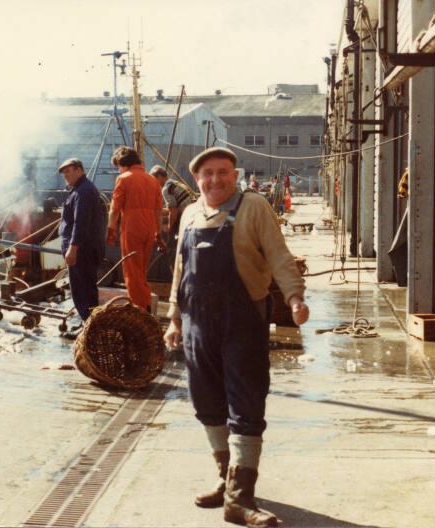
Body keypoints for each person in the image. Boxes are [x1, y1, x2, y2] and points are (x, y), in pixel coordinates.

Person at [163, 147, 309, 527]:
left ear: (235, 174)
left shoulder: (254, 206)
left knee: (246, 403)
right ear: (197, 180)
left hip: (242, 321)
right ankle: (225, 481)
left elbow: (279, 255)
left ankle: (240, 498)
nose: (215, 179)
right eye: (207, 173)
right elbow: (180, 268)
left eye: (223, 172)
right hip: (197, 324)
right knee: (207, 400)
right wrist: (174, 318)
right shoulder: (191, 214)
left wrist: (294, 296)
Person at [106, 147, 163, 312]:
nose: (119, 170)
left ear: (123, 164)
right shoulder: (152, 180)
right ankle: (145, 305)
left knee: (132, 272)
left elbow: (115, 209)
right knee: (141, 271)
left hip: (132, 227)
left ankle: (139, 311)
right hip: (150, 229)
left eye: (118, 166)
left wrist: (110, 230)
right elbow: (158, 211)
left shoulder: (124, 178)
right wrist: (158, 234)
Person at [57, 158, 106, 323]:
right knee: (84, 289)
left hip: (82, 251)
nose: (65, 175)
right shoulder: (81, 189)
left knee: (82, 290)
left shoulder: (83, 191)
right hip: (84, 249)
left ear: (79, 170)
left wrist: (73, 248)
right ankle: (89, 324)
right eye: (63, 173)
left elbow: (81, 222)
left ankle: (89, 324)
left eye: (68, 171)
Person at [150, 164, 195, 238]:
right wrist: (158, 210)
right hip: (191, 213)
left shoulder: (166, 189)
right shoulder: (174, 183)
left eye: (153, 179)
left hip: (185, 217)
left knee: (167, 237)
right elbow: (174, 208)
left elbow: (173, 213)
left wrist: (169, 228)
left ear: (159, 176)